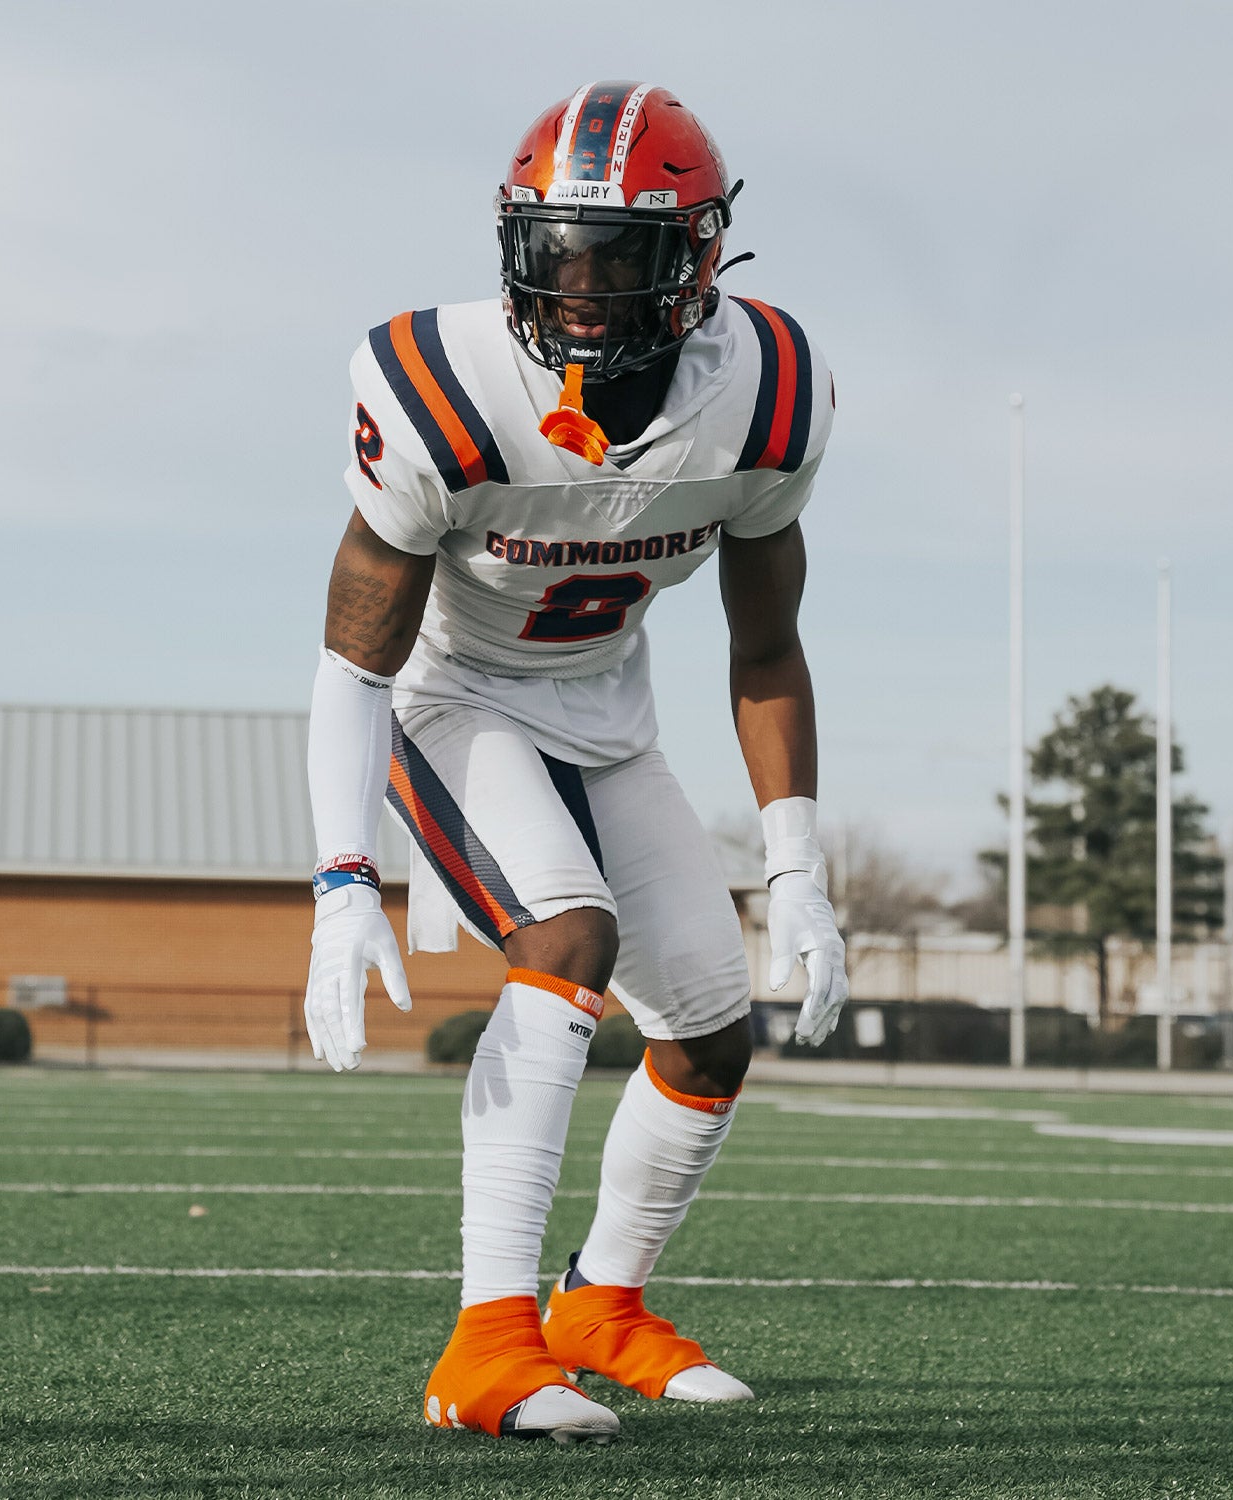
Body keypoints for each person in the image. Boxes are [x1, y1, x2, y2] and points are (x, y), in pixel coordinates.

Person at [303, 80, 849, 1446]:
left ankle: (599, 1305)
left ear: (699, 257)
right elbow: (357, 661)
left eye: (618, 256)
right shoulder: (443, 386)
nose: (580, 290)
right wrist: (342, 878)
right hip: (454, 698)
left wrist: (797, 866)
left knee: (711, 1030)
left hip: (607, 715)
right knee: (568, 936)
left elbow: (768, 646)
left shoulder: (769, 394)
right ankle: (485, 1347)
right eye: (554, 252)